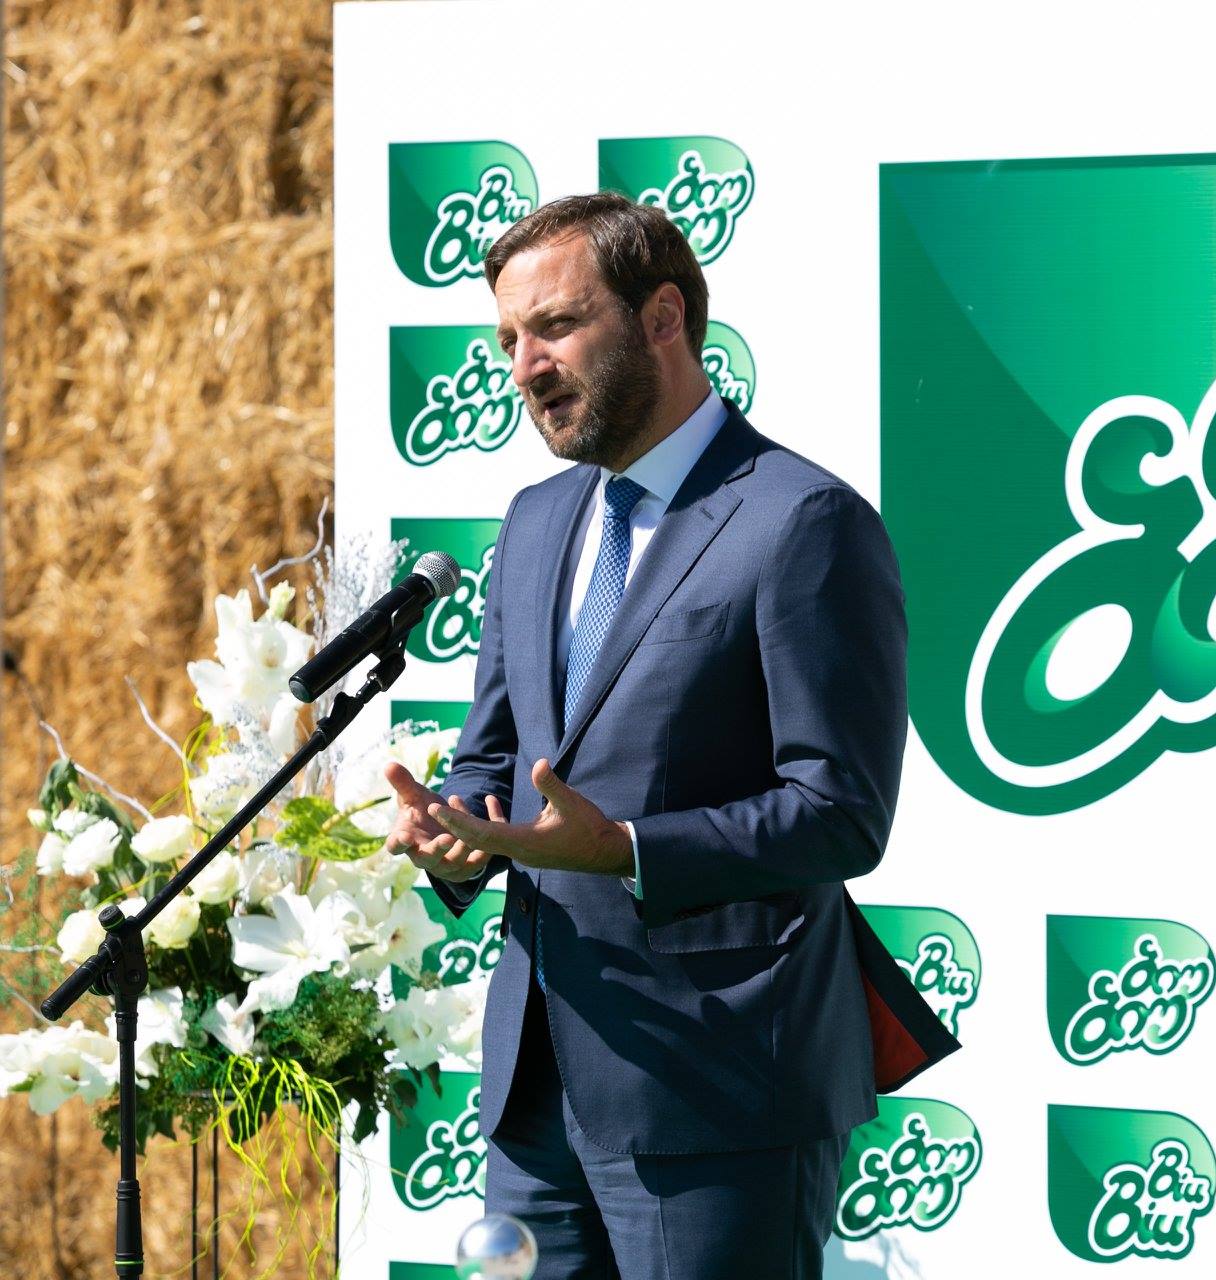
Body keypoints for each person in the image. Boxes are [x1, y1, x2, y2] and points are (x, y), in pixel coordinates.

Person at [380, 192, 955, 1280]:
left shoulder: (802, 520)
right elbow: (496, 757)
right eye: (508, 340)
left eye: (556, 326)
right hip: (536, 1082)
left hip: (721, 1086)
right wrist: (457, 833)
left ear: (662, 317)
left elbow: (840, 812)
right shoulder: (534, 521)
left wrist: (627, 849)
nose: (524, 367)